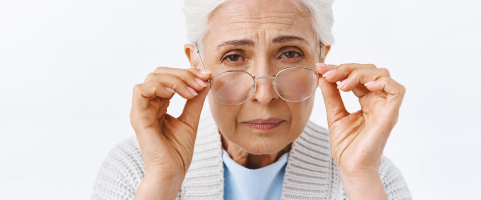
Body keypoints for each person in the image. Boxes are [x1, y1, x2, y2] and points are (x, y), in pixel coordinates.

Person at [92, 0, 411, 199]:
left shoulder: (372, 174)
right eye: (233, 56)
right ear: (197, 64)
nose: (264, 93)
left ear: (322, 58)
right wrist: (162, 182)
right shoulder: (135, 169)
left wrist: (360, 182)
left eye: (289, 54)